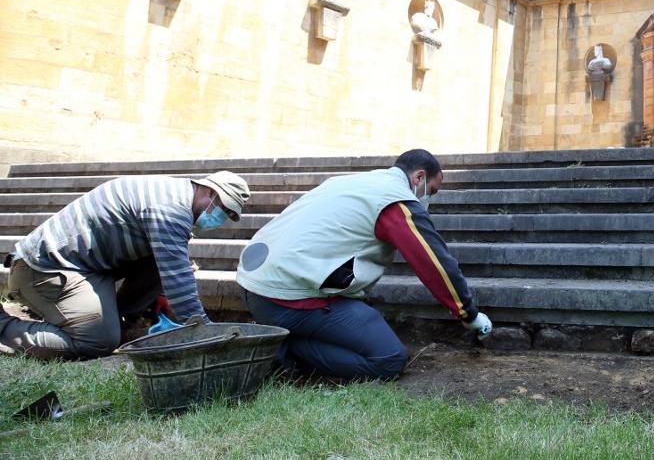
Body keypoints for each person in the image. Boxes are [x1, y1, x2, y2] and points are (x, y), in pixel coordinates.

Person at [236, 149, 490, 381]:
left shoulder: (351, 183)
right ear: (419, 177)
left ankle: (282, 338)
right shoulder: (396, 201)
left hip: (254, 286)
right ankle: (283, 352)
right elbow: (434, 263)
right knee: (389, 359)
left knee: (361, 321)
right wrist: (468, 313)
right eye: (431, 191)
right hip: (289, 298)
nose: (429, 200)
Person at [1, 171, 251, 359]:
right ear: (209, 193)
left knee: (172, 259)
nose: (221, 219)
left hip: (86, 267)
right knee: (98, 342)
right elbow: (179, 281)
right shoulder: (170, 209)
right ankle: (5, 327)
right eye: (223, 209)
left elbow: (171, 263)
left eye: (229, 217)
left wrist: (158, 294)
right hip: (42, 271)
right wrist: (209, 335)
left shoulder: (172, 192)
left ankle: (119, 320)